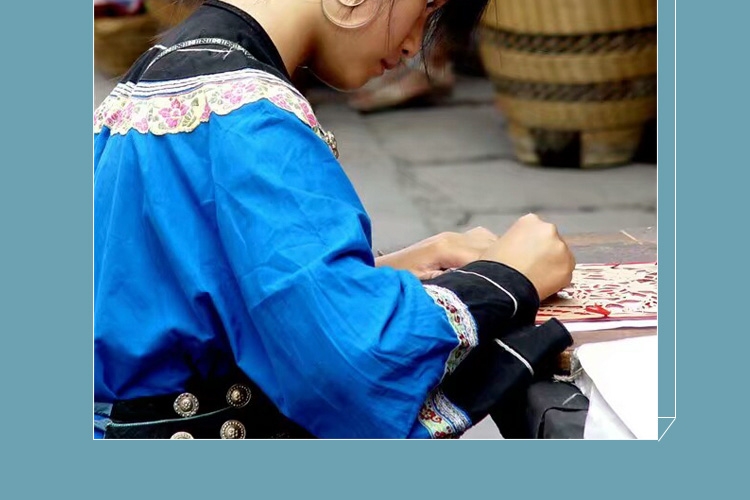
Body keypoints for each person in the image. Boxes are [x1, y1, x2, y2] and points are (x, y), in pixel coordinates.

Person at [94, 0, 576, 439]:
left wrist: (388, 269)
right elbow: (350, 360)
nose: (414, 44)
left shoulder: (152, 81)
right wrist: (503, 279)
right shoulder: (253, 120)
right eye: (427, 6)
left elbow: (204, 293)